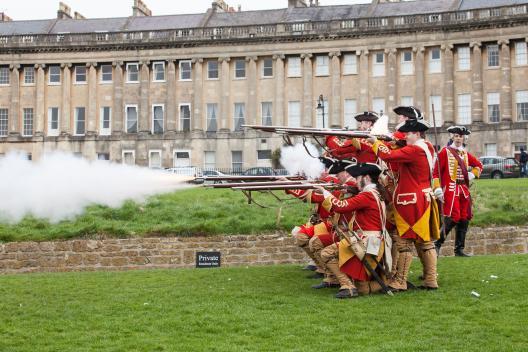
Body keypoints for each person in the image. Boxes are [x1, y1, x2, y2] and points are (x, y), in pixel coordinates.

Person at [368, 118, 440, 291]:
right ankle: (430, 279)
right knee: (425, 242)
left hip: (410, 201)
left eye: (408, 134)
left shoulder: (415, 149)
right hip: (422, 199)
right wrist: (394, 143)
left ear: (416, 133)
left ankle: (400, 281)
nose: (405, 137)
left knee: (404, 242)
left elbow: (388, 156)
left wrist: (376, 143)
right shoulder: (426, 146)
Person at [316, 162, 390, 298]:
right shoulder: (375, 193)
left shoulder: (367, 195)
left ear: (366, 178)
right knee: (363, 289)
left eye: (357, 178)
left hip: (365, 242)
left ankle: (347, 286)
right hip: (371, 242)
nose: (355, 181)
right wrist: (349, 191)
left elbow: (341, 206)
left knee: (326, 253)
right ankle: (383, 283)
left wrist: (325, 193)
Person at [433, 126, 483, 257]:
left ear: (464, 138)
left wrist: (472, 174)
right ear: (452, 137)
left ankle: (459, 249)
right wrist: (437, 188)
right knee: (453, 216)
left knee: (465, 217)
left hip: (463, 190)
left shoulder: (465, 154)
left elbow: (479, 165)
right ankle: (437, 244)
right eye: (456, 136)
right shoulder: (445, 152)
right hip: (450, 190)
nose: (458, 138)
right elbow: (435, 173)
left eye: (460, 136)